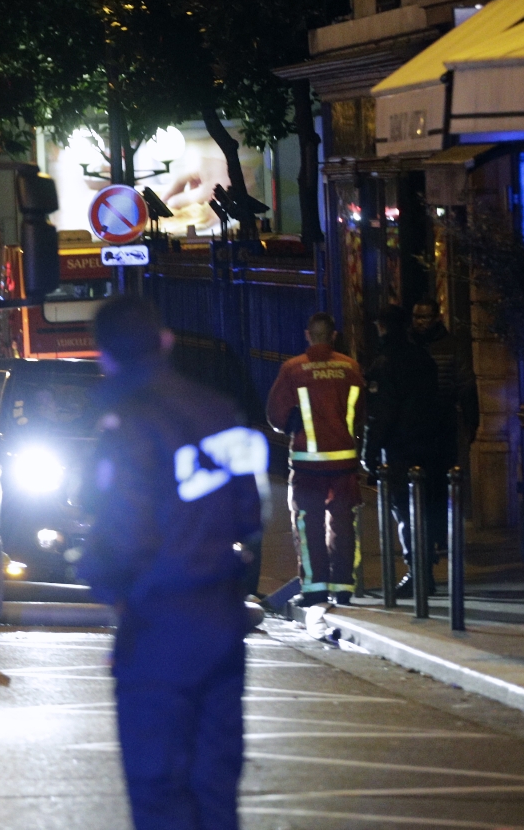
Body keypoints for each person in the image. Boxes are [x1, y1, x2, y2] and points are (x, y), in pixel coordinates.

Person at [80, 295, 267, 830]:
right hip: (220, 622)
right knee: (215, 785)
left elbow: (123, 533)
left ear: (105, 356)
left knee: (159, 788)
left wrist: (96, 574)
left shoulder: (126, 423)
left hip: (157, 622)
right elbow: (250, 514)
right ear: (165, 341)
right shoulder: (218, 411)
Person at [265, 312, 364, 612]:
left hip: (308, 463)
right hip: (344, 461)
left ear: (308, 335)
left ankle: (314, 589)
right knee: (344, 524)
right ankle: (344, 587)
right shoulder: (350, 367)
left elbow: (275, 414)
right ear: (333, 336)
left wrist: (292, 426)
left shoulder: (293, 369)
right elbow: (361, 413)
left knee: (309, 525)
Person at [366, 304, 449, 593]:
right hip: (429, 445)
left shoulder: (385, 362)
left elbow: (381, 413)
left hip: (401, 448)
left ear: (382, 326)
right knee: (424, 509)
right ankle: (425, 569)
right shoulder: (422, 358)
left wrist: (370, 452)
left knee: (405, 512)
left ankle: (418, 573)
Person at [412, 298, 477, 486]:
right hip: (414, 424)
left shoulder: (452, 346)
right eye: (416, 317)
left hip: (443, 421)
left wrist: (470, 420)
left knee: (441, 476)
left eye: (425, 317)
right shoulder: (408, 345)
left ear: (437, 318)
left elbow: (466, 384)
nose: (420, 322)